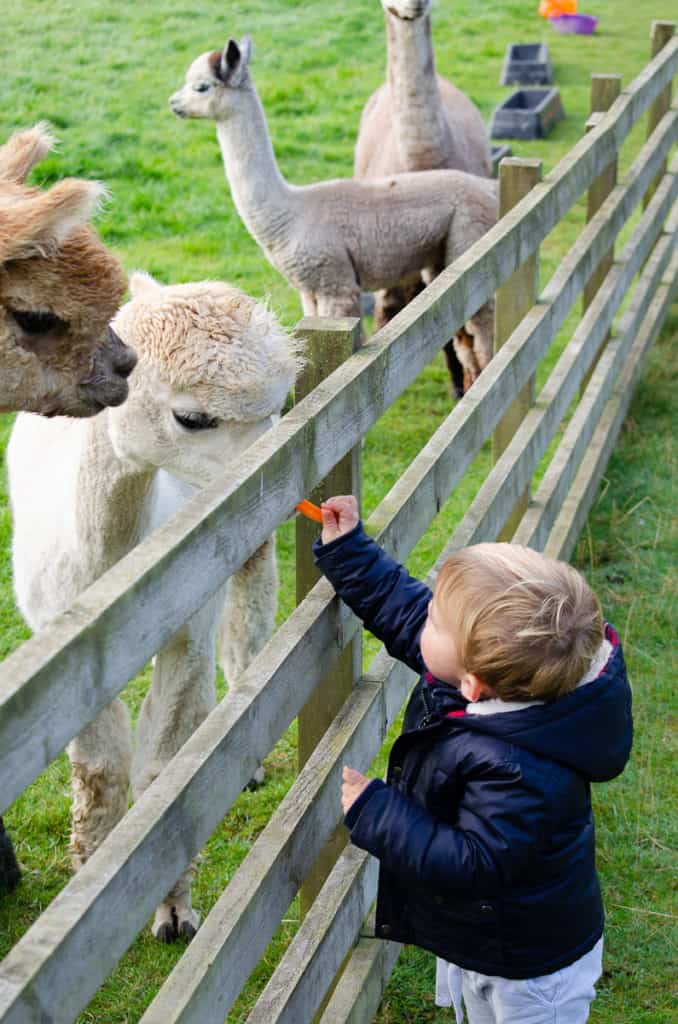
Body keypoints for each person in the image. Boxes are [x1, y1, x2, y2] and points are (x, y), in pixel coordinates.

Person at [313, 495, 633, 1024]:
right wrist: (348, 549)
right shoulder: (513, 678)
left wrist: (378, 813)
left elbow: (474, 863)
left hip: (532, 971)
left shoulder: (520, 770)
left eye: (438, 621)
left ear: (472, 682)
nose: (425, 621)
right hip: (488, 938)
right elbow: (405, 608)